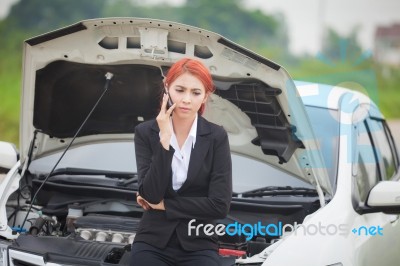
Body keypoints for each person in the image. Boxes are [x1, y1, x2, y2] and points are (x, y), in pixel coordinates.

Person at [130, 58, 232, 266]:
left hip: (199, 242)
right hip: (153, 240)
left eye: (195, 93)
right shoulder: (145, 133)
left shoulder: (217, 137)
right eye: (180, 90)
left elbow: (219, 205)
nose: (187, 99)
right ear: (167, 89)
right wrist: (164, 140)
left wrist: (164, 205)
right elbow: (150, 194)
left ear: (205, 97)